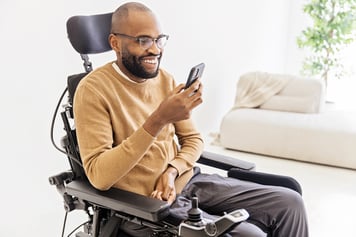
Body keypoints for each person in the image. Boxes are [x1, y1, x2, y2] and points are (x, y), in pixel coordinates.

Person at [74, 2, 309, 236]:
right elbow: (99, 176)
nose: (155, 50)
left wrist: (171, 171)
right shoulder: (92, 90)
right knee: (249, 234)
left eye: (159, 39)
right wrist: (158, 120)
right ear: (115, 43)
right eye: (143, 40)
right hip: (148, 206)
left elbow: (193, 139)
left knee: (289, 203)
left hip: (186, 181)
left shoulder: (164, 79)